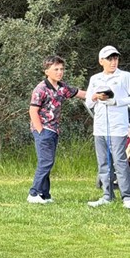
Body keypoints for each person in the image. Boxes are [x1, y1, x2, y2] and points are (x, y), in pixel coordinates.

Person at [28, 55, 86, 204]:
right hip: (43, 130)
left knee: (48, 162)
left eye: (61, 69)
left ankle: (44, 194)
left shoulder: (62, 87)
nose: (60, 72)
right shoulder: (41, 89)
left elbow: (79, 93)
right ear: (47, 71)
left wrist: (97, 96)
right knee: (46, 162)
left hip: (54, 130)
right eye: (56, 69)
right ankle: (33, 193)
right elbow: (33, 111)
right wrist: (40, 131)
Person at [84, 45, 130, 208]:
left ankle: (127, 197)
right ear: (101, 61)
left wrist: (115, 101)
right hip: (100, 127)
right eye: (110, 59)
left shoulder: (125, 76)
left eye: (115, 58)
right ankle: (107, 195)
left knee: (120, 161)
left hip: (118, 126)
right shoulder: (95, 79)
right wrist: (95, 97)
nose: (113, 62)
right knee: (103, 162)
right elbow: (88, 102)